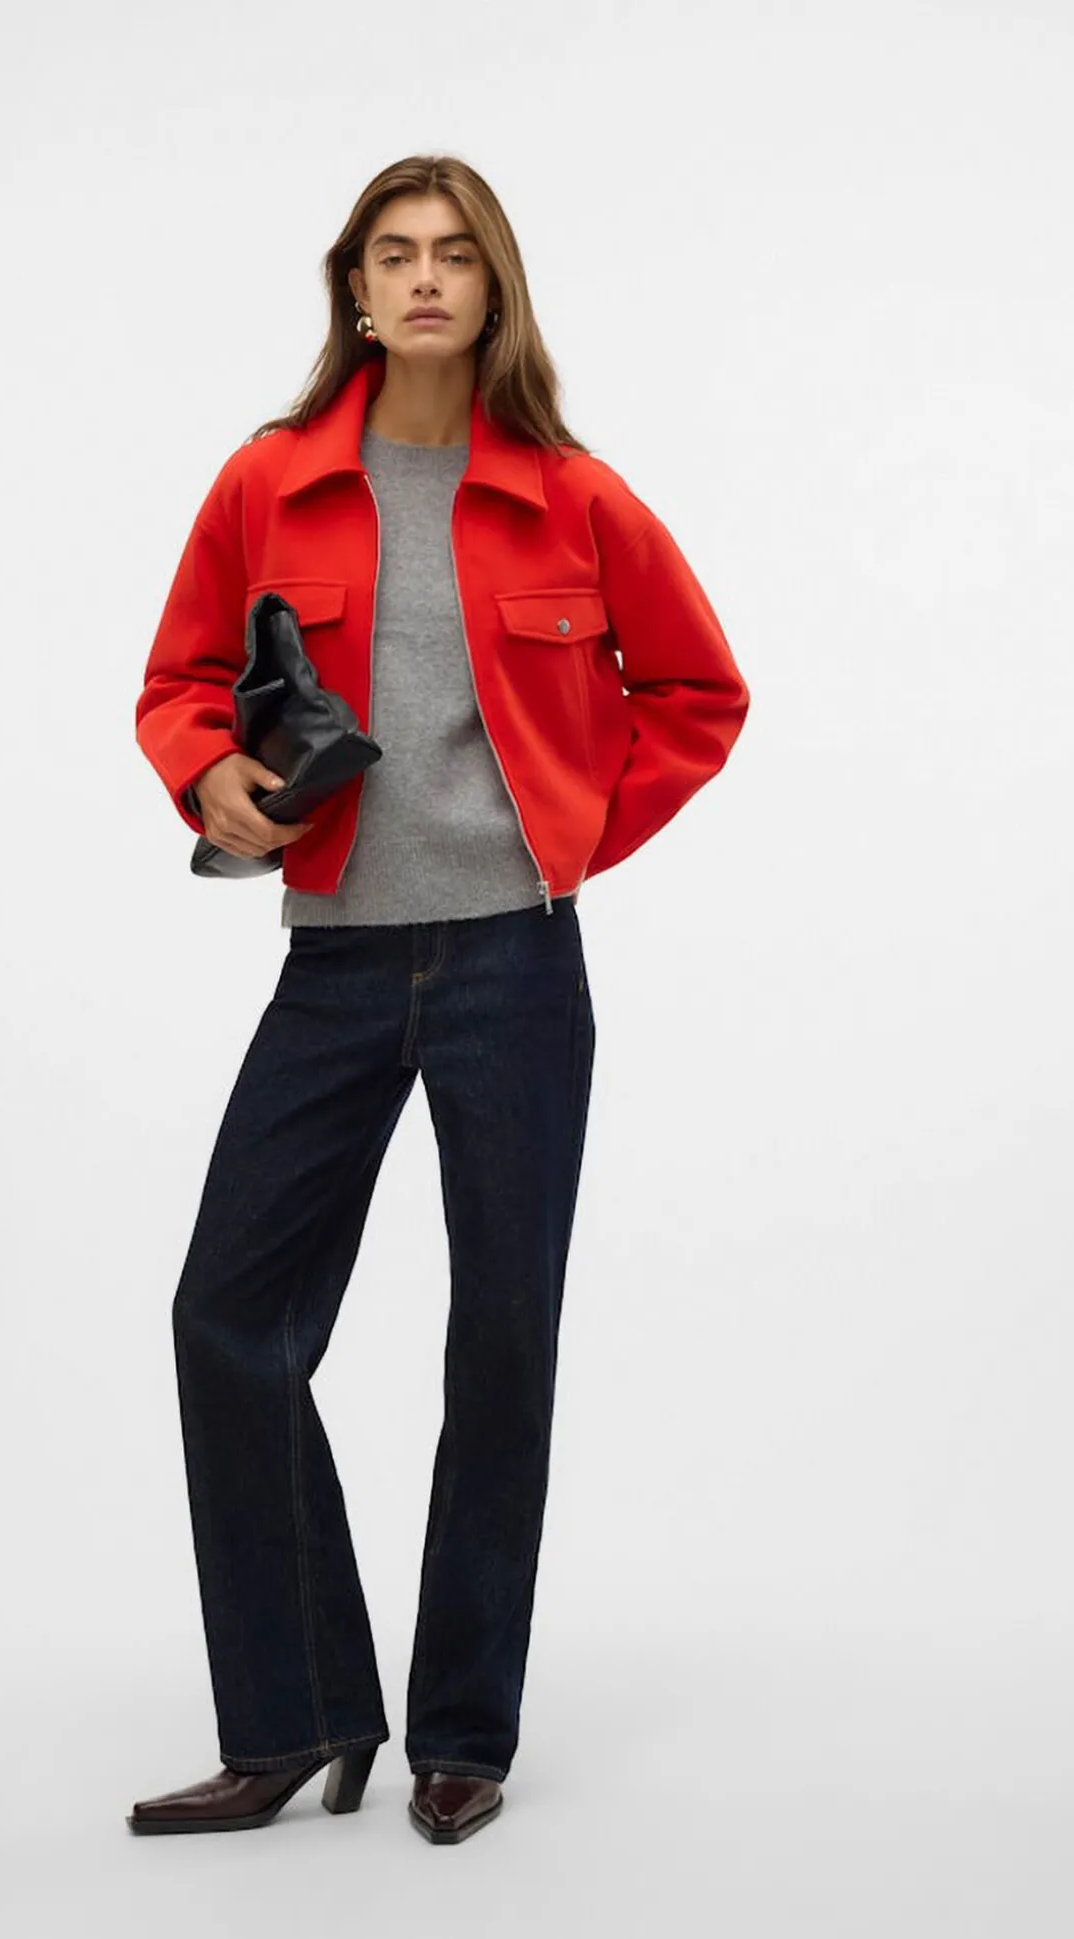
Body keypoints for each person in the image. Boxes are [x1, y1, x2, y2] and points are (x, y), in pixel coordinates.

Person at [127, 153, 750, 1846]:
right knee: (226, 1321)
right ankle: (296, 1716)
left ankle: (463, 1729)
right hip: (332, 960)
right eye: (394, 254)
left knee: (502, 1342)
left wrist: (569, 832)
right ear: (353, 287)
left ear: (492, 290)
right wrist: (209, 773)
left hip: (513, 967)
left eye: (454, 256)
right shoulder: (268, 481)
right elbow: (182, 679)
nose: (422, 279)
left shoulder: (573, 495)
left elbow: (698, 691)